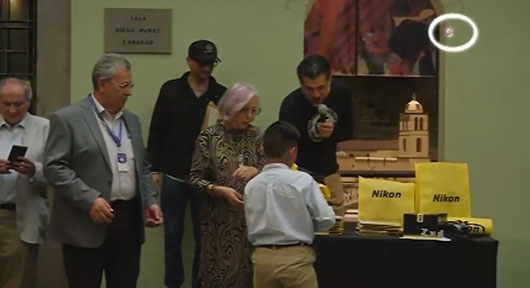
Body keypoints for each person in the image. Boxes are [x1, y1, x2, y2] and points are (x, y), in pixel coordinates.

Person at [44, 53, 163, 288]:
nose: (129, 92)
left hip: (128, 220)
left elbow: (143, 166)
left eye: (131, 85)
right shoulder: (68, 118)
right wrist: (90, 200)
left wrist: (151, 200)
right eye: (124, 86)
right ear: (102, 83)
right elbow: (54, 167)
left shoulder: (133, 121)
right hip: (85, 222)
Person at [147, 39, 226, 288]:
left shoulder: (221, 94)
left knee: (205, 239)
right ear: (189, 62)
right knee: (172, 237)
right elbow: (156, 131)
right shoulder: (171, 90)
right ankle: (173, 284)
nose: (206, 68)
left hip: (206, 178)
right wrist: (154, 168)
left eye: (211, 63)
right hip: (174, 175)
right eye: (202, 63)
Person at [189, 82, 265, 288]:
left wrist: (256, 171)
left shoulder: (256, 136)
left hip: (250, 221)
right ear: (231, 108)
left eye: (254, 111)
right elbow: (194, 179)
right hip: (219, 222)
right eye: (244, 110)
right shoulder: (209, 137)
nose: (250, 116)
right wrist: (218, 190)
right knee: (219, 276)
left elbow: (272, 170)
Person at [244, 121, 335, 288]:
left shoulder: (251, 185)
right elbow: (326, 219)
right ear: (293, 151)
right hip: (296, 258)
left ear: (262, 150)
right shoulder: (303, 180)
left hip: (262, 260)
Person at [279, 55, 353, 217]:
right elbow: (284, 146)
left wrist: (334, 132)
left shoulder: (341, 94)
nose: (316, 94)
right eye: (309, 89)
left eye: (321, 87)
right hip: (299, 176)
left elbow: (350, 130)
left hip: (330, 174)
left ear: (330, 79)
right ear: (301, 84)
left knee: (335, 228)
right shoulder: (290, 106)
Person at [0, 78, 49, 288]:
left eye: (18, 104)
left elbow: (59, 171)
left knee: (17, 281)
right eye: (6, 103)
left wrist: (34, 170)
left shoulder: (45, 127)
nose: (11, 110)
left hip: (20, 215)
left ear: (28, 102)